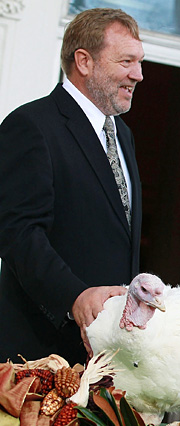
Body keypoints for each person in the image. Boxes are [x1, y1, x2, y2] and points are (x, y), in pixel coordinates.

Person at [0, 8, 145, 365]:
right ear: (84, 61)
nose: (138, 75)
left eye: (140, 62)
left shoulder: (122, 135)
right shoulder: (31, 125)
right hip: (40, 356)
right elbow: (17, 233)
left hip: (104, 359)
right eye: (126, 61)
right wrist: (75, 298)